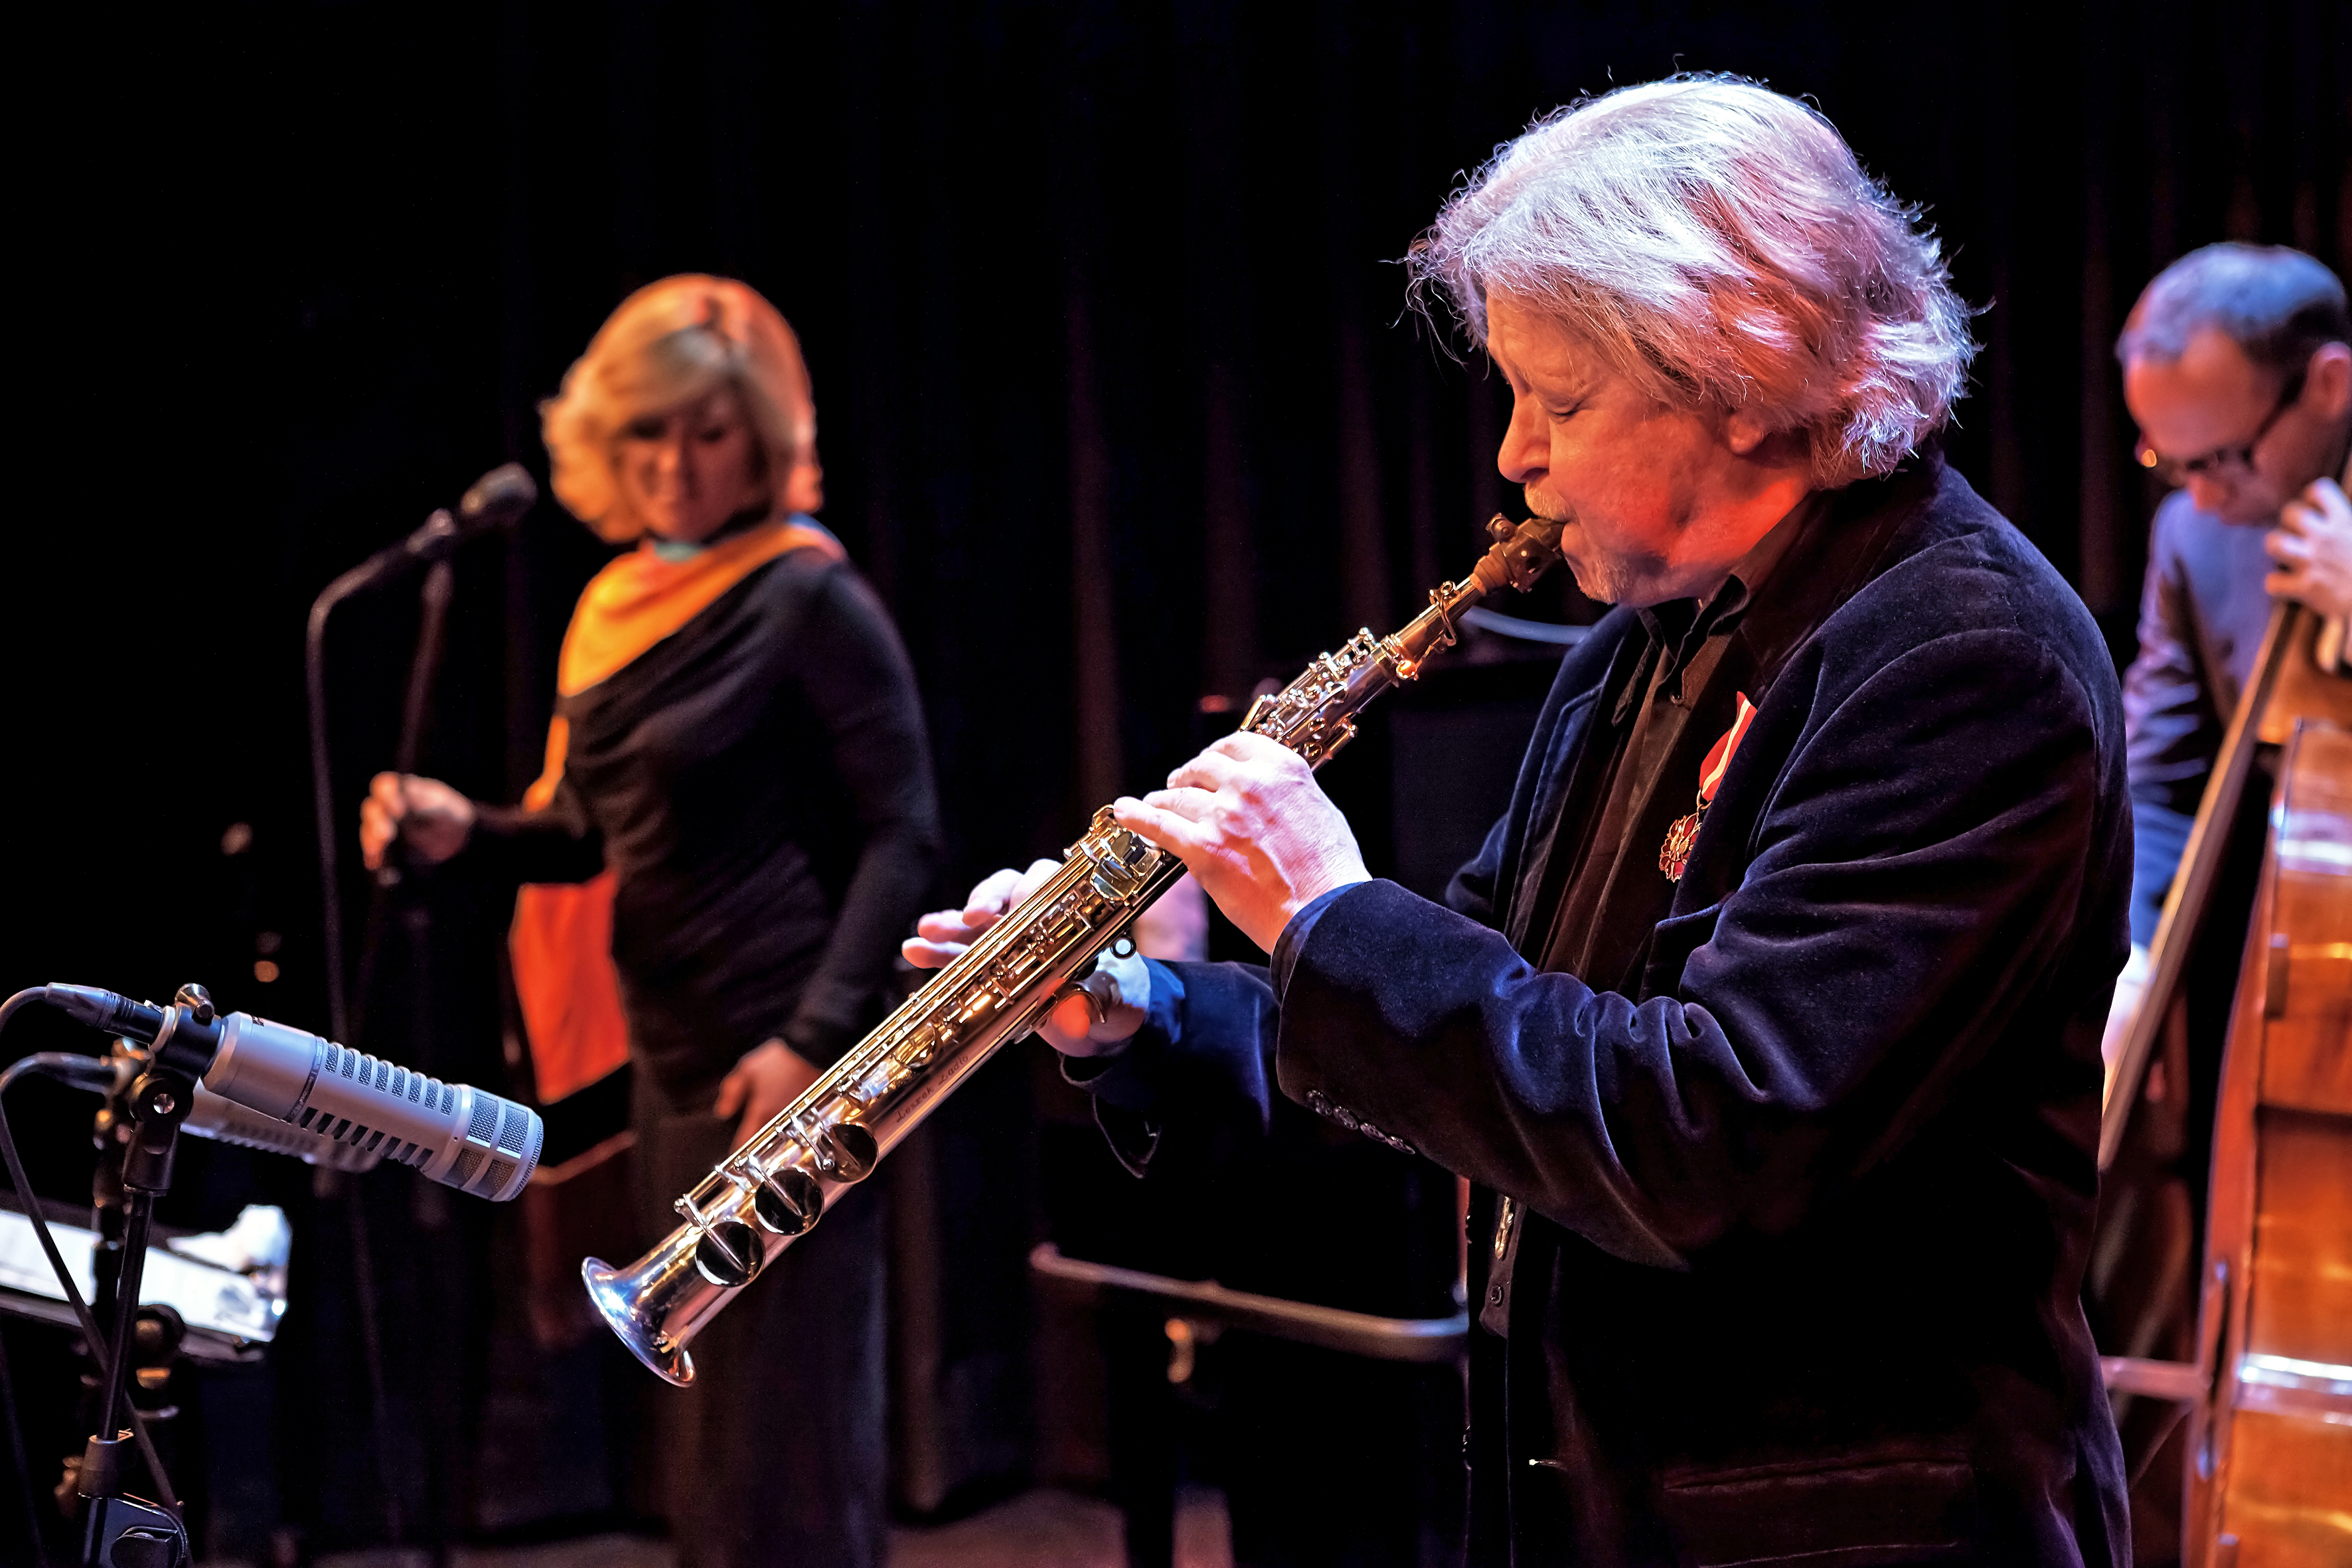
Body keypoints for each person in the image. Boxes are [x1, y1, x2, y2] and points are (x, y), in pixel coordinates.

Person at [911, 79, 2131, 1564]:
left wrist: (1329, 909)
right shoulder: (1644, 641)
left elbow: (1718, 1137)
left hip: (1848, 1529)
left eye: (1557, 402)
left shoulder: (1962, 658)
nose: (1511, 456)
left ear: (1740, 378)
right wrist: (1145, 1009)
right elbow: (1477, 1047)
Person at [361, 275, 941, 1568]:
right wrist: (466, 827)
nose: (676, 464)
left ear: (759, 438)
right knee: (711, 1448)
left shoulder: (807, 595)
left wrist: (811, 1040)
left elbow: (904, 831)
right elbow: (584, 828)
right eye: (648, 433)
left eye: (708, 431)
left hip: (785, 1061)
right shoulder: (612, 603)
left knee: (792, 1441)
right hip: (671, 1058)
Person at [2101, 245, 2352, 1077]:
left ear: (2329, 385)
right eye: (2170, 462)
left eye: (2221, 459)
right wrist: (2130, 954)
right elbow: (2160, 775)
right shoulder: (2196, 536)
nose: (2199, 496)